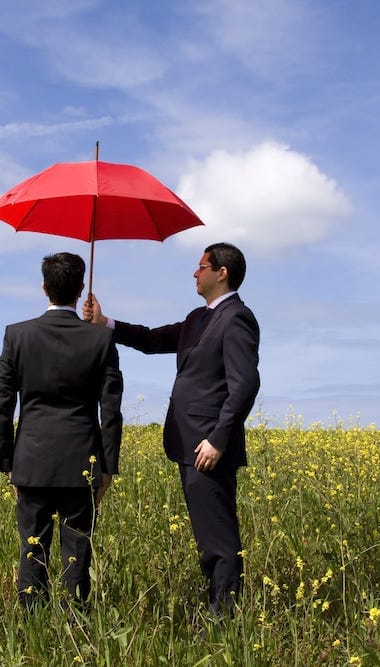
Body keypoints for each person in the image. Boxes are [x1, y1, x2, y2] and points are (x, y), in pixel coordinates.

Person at [83, 242, 260, 616]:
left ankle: (225, 618)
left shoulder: (237, 318)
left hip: (208, 447)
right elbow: (151, 339)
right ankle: (218, 606)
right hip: (189, 443)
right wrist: (105, 323)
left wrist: (218, 440)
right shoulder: (198, 318)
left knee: (218, 535)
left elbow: (245, 386)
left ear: (221, 272)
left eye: (201, 267)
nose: (194, 273)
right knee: (206, 533)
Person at [0, 252, 124, 610]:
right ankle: (75, 631)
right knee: (77, 555)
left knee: (31, 550)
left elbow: (3, 405)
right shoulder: (101, 340)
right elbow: (111, 409)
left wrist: (7, 462)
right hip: (83, 461)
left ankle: (31, 630)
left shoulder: (16, 336)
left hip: (30, 461)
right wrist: (108, 467)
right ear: (81, 288)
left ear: (44, 287)